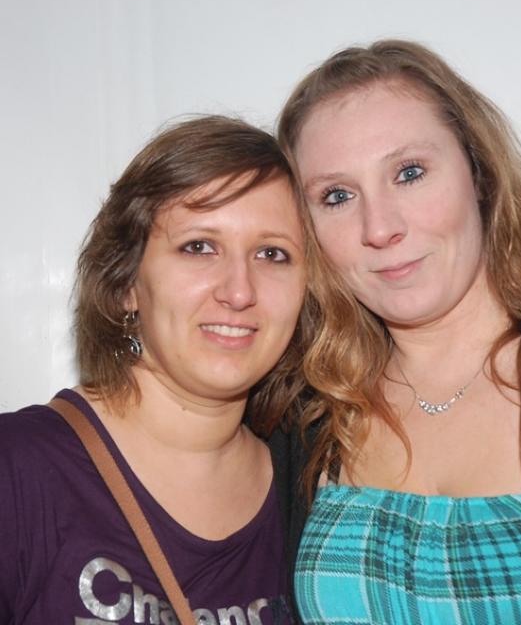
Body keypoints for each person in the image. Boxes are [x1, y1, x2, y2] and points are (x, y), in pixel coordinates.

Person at [276, 40, 521, 624]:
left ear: (480, 174)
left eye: (409, 173)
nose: (380, 227)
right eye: (337, 196)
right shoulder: (303, 413)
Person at [0, 115, 316, 624]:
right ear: (127, 283)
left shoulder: (313, 493)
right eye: (199, 247)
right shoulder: (18, 469)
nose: (239, 291)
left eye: (272, 254)